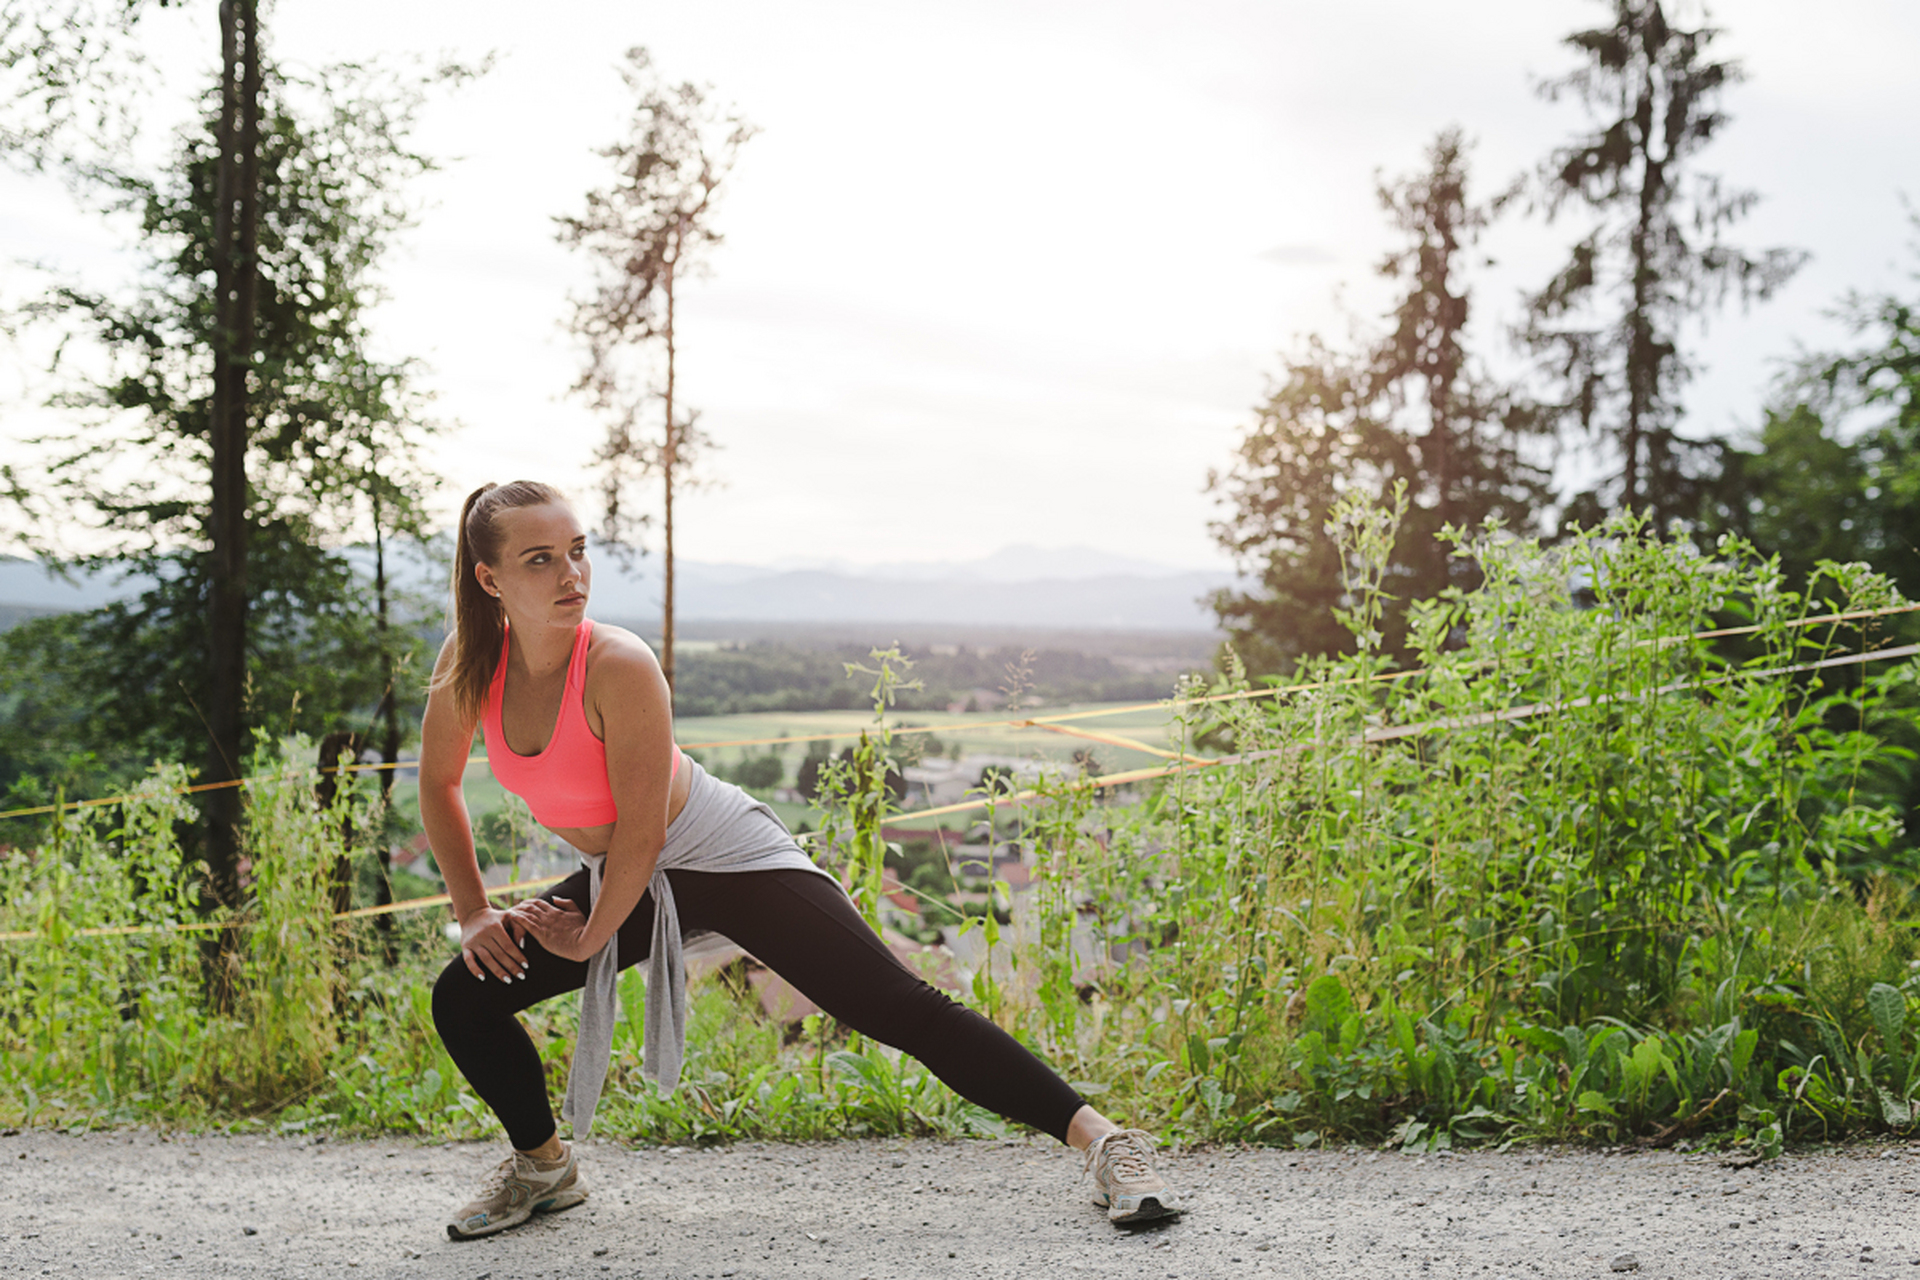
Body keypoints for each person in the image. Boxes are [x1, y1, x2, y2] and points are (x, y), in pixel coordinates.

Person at [422, 481, 1181, 1241]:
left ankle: (1108, 1144)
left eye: (579, 552)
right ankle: (545, 1168)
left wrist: (588, 938)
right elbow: (440, 783)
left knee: (897, 1007)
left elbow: (646, 834)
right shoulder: (469, 663)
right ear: (490, 579)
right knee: (465, 994)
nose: (572, 576)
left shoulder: (619, 664)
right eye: (541, 560)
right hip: (630, 873)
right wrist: (475, 912)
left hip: (728, 858)